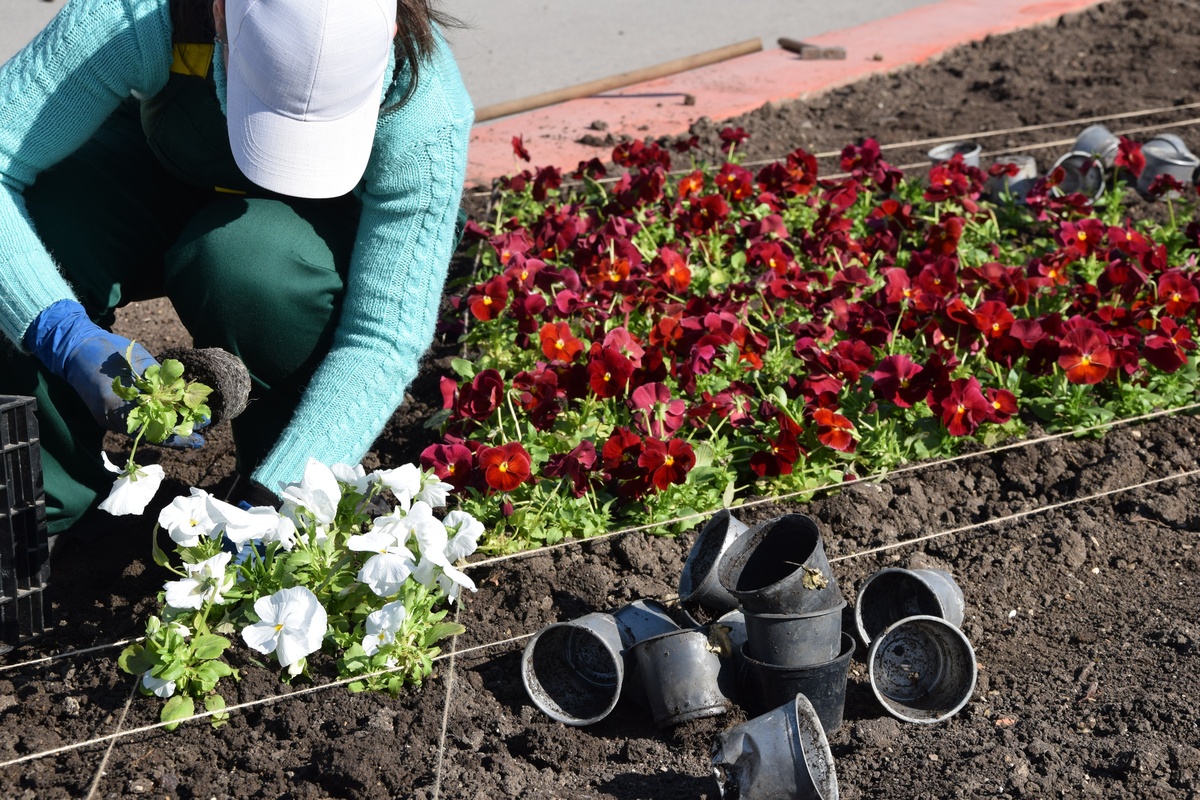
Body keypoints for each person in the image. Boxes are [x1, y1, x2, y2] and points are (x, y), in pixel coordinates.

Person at [0, 0, 473, 534]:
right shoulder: (141, 15)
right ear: (220, 12)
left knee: (251, 267)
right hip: (170, 165)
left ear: (389, 29)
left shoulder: (425, 109)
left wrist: (283, 494)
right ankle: (51, 507)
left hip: (304, 236)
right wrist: (58, 329)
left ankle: (275, 477)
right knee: (44, 227)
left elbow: (383, 335)